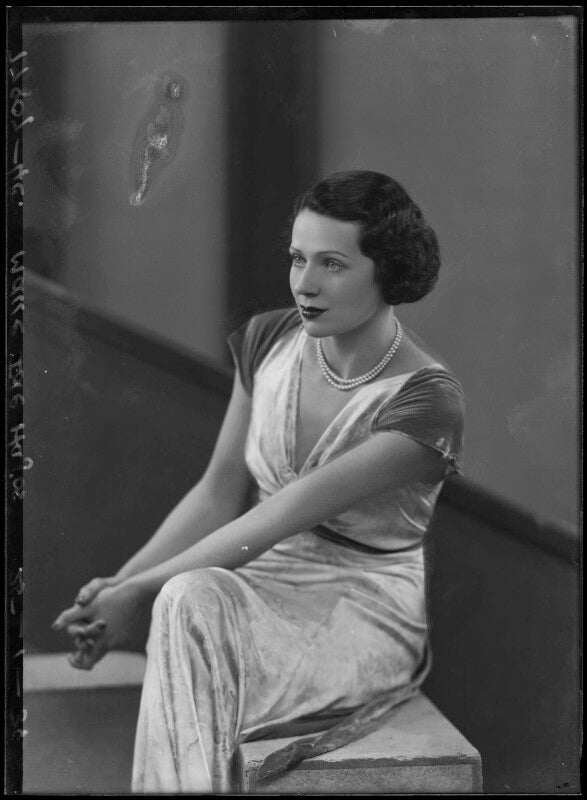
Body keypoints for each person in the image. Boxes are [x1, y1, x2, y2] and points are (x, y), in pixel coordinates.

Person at [52, 170, 464, 793]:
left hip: (361, 608)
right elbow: (217, 494)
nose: (304, 283)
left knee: (180, 601)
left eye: (332, 263)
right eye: (298, 258)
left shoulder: (426, 401)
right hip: (258, 585)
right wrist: (119, 585)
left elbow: (274, 519)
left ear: (388, 270)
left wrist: (135, 594)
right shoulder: (270, 339)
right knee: (186, 598)